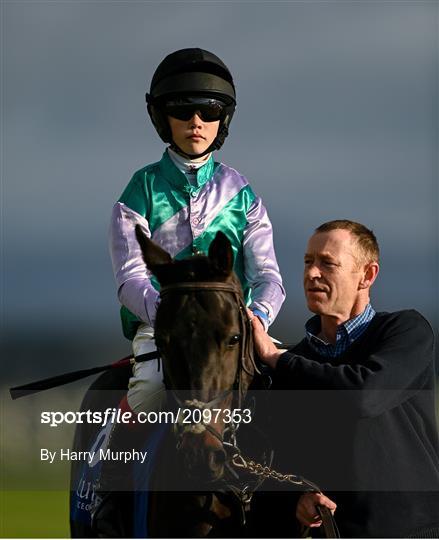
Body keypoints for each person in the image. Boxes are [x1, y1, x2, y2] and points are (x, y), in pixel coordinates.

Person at [92, 48, 285, 532]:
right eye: (182, 111)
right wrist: (173, 314)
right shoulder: (138, 191)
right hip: (163, 334)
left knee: (296, 398)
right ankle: (108, 506)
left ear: (224, 119)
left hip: (234, 335)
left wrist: (253, 319)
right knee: (148, 395)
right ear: (162, 118)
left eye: (209, 111)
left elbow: (269, 277)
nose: (196, 121)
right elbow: (130, 277)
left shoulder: (244, 195)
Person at [250, 220, 439, 538]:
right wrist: (294, 501)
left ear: (367, 275)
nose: (312, 274)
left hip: (413, 531)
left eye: (328, 263)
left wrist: (278, 359)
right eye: (308, 261)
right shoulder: (288, 368)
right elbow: (273, 463)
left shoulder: (406, 331)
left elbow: (365, 395)